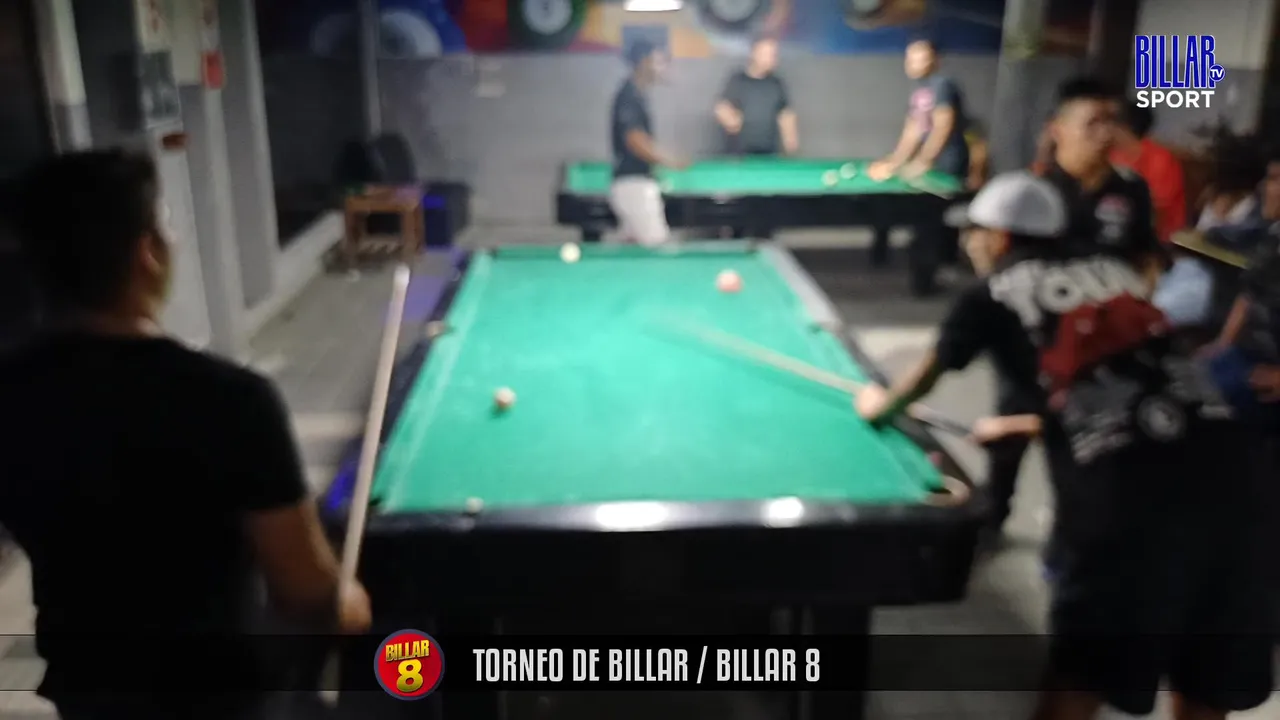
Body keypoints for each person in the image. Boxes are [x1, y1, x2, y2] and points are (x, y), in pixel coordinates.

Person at [856, 170, 1274, 720]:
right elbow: (1139, 389)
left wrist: (878, 403)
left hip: (1129, 504)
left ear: (999, 237)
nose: (967, 243)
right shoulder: (1119, 275)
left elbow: (920, 382)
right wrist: (1031, 425)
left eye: (972, 232)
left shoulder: (989, 293)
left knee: (1080, 680)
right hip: (1242, 482)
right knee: (1205, 679)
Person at [0, 150, 372, 719]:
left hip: (90, 691)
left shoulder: (12, 392)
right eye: (167, 225)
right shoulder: (230, 399)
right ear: (147, 253)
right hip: (223, 699)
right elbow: (305, 597)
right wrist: (348, 599)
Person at [866, 36, 969, 294]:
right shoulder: (920, 90)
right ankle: (930, 272)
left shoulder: (942, 85)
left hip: (947, 165)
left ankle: (938, 275)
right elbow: (913, 130)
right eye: (910, 57)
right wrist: (896, 160)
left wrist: (924, 161)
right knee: (925, 221)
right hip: (932, 163)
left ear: (934, 60)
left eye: (920, 57)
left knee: (934, 222)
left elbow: (943, 125)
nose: (913, 62)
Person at [610, 40, 686, 247]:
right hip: (634, 186)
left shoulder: (636, 94)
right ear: (644, 63)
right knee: (658, 248)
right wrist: (669, 160)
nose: (663, 67)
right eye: (658, 61)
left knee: (631, 249)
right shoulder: (629, 95)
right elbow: (634, 139)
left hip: (632, 184)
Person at [1110, 101, 1187, 243]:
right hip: (1119, 225)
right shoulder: (1113, 153)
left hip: (1158, 236)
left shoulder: (1161, 159)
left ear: (1124, 128)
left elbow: (1157, 208)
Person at [713, 35, 799, 156]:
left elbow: (785, 114)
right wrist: (729, 117)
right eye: (768, 54)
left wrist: (790, 139)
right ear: (755, 54)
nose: (773, 59)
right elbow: (721, 108)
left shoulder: (776, 83)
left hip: (768, 155)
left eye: (774, 55)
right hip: (739, 156)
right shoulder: (737, 80)